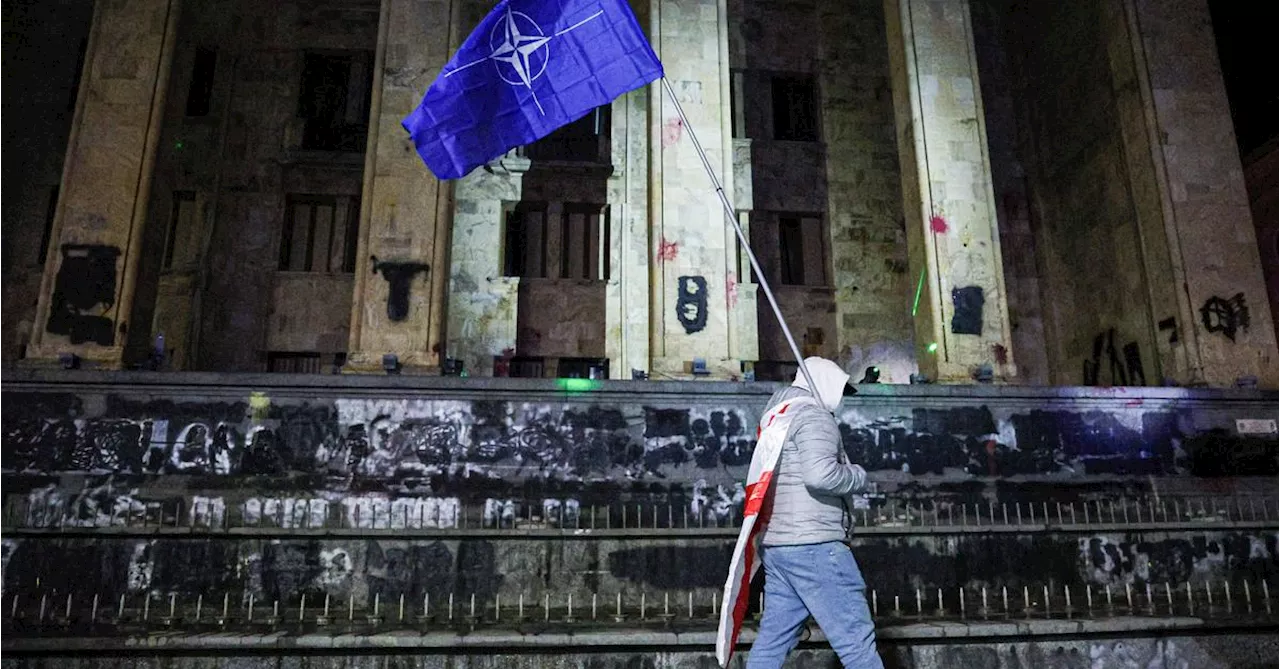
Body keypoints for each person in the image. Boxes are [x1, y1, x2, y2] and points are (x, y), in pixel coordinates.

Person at [746, 356, 883, 669]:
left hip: (780, 545)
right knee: (857, 641)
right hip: (815, 544)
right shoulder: (814, 416)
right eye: (839, 389)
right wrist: (857, 476)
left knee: (772, 642)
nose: (841, 400)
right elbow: (819, 476)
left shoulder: (777, 417)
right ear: (825, 385)